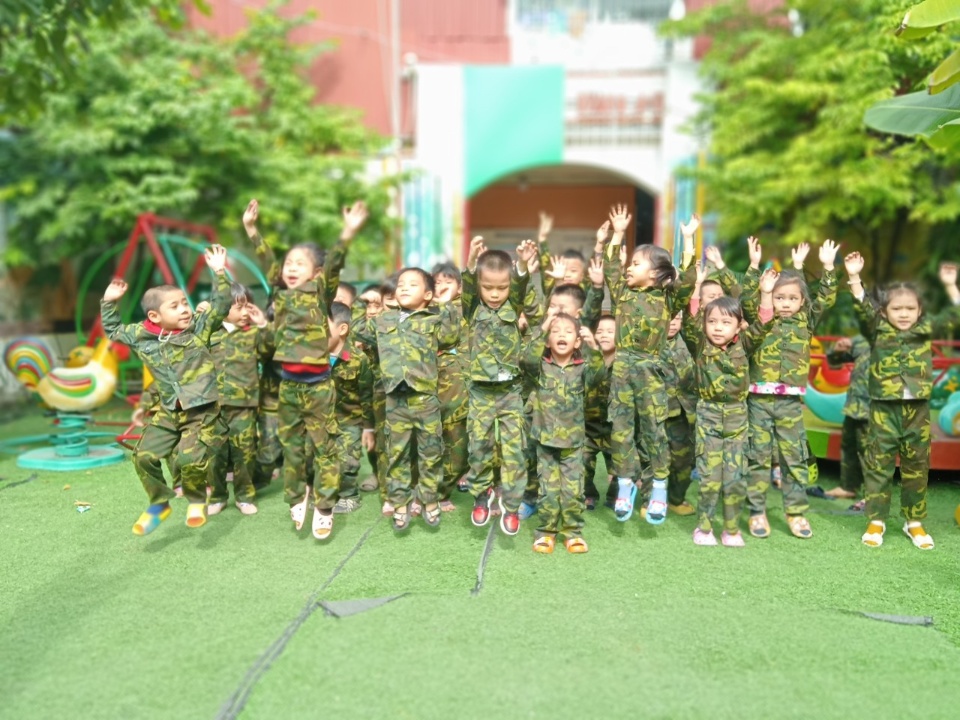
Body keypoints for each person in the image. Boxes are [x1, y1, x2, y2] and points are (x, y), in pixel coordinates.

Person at [243, 198, 368, 540]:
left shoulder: (319, 293)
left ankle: (325, 506)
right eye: (289, 263)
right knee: (292, 446)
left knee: (325, 447)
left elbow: (335, 265)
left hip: (318, 386)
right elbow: (267, 262)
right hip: (289, 385)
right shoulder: (281, 294)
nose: (291, 267)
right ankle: (298, 497)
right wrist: (252, 229)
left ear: (315, 273)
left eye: (300, 263)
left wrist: (347, 233)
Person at [101, 245, 231, 534]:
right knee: (142, 456)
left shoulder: (198, 329)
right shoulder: (141, 335)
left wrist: (219, 272)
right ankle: (159, 503)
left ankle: (196, 500)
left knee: (188, 458)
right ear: (154, 316)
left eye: (185, 303)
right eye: (175, 306)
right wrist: (108, 301)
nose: (185, 309)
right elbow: (113, 330)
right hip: (170, 410)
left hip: (201, 411)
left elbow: (221, 305)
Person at [846, 252, 960, 549]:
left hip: (917, 410)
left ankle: (914, 522)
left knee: (917, 465)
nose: (904, 313)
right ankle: (876, 520)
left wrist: (951, 285)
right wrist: (854, 276)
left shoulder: (924, 330)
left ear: (920, 311)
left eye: (911, 308)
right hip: (883, 409)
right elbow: (862, 307)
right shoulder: (878, 328)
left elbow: (954, 316)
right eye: (897, 308)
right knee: (878, 464)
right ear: (885, 313)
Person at [602, 205, 697, 526]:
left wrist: (689, 240)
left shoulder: (668, 299)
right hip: (622, 371)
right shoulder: (622, 294)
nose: (629, 268)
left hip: (651, 372)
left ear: (656, 273)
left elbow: (688, 281)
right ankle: (625, 484)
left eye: (636, 263)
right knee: (621, 430)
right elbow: (611, 266)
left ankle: (658, 487)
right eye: (630, 263)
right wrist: (617, 233)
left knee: (655, 431)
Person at [741, 239, 840, 539]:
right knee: (757, 457)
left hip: (790, 403)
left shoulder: (805, 321)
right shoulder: (762, 319)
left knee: (794, 457)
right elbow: (746, 300)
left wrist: (828, 266)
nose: (785, 303)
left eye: (792, 298)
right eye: (779, 297)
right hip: (758, 400)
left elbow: (826, 297)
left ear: (801, 302)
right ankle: (757, 511)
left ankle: (795, 512)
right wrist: (755, 270)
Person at [353, 268, 461, 530]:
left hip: (425, 399)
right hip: (395, 400)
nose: (403, 288)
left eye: (412, 285)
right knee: (396, 454)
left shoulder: (433, 320)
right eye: (401, 284)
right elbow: (357, 330)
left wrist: (444, 305)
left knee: (431, 453)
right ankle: (400, 503)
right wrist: (362, 303)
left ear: (427, 295)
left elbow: (451, 337)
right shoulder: (383, 320)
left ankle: (430, 500)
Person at [681, 266, 778, 546]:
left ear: (738, 326)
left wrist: (766, 293)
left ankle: (732, 529)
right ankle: (704, 527)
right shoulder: (700, 344)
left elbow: (764, 323)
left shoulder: (744, 345)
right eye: (712, 322)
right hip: (708, 416)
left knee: (734, 478)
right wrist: (697, 286)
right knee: (710, 478)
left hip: (737, 418)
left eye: (725, 322)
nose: (717, 327)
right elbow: (690, 318)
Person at [462, 236, 538, 535]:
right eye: (488, 287)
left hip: (510, 391)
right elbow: (468, 284)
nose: (495, 294)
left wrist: (522, 266)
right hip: (480, 391)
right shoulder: (472, 307)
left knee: (514, 450)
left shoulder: (513, 304)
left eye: (502, 288)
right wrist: (471, 261)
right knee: (478, 446)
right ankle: (482, 496)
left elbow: (520, 284)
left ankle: (512, 504)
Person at [522, 309, 605, 553]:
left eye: (568, 332)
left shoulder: (582, 368)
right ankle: (546, 532)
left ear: (577, 341)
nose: (561, 335)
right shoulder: (541, 366)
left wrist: (593, 347)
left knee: (573, 491)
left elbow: (599, 376)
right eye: (556, 331)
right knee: (548, 491)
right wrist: (544, 326)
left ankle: (572, 532)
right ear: (548, 341)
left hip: (573, 443)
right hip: (545, 441)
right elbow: (526, 359)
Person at [204, 284, 269, 516]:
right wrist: (203, 314)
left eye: (248, 307)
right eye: (239, 307)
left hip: (244, 405)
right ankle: (218, 496)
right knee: (214, 453)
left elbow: (272, 349)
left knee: (245, 452)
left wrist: (263, 324)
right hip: (213, 405)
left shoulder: (253, 334)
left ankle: (245, 496)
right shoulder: (209, 332)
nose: (244, 313)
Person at [328, 301, 375, 514]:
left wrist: (368, 427)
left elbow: (366, 395)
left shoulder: (357, 359)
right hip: (322, 419)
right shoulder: (313, 357)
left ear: (342, 329)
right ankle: (327, 495)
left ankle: (349, 496)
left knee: (347, 460)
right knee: (322, 459)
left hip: (350, 419)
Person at [432, 262, 469, 511]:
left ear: (460, 287)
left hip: (461, 393)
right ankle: (426, 492)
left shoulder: (468, 309)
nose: (443, 286)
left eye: (448, 282)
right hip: (432, 393)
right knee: (430, 447)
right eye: (437, 282)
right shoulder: (425, 313)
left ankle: (442, 491)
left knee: (459, 447)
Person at [824, 334, 871, 503]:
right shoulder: (861, 339)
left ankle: (872, 496)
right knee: (849, 445)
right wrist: (837, 350)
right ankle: (847, 487)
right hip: (855, 405)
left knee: (870, 451)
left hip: (876, 407)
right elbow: (835, 362)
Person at [585, 315, 616, 511]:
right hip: (589, 425)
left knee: (621, 465)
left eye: (610, 331)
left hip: (616, 427)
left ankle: (615, 496)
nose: (604, 335)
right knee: (581, 462)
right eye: (600, 331)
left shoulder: (625, 363)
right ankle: (588, 494)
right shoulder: (586, 361)